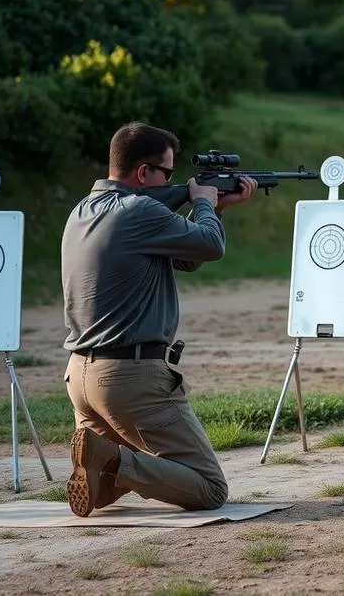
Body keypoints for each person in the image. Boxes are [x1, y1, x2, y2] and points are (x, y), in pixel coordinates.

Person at [60, 121, 257, 517]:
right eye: (168, 173)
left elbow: (187, 257)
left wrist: (212, 206)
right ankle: (115, 459)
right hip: (129, 378)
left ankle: (102, 467)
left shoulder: (82, 210)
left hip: (80, 377)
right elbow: (211, 245)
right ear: (143, 173)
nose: (174, 179)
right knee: (209, 487)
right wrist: (201, 201)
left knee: (104, 489)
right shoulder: (140, 210)